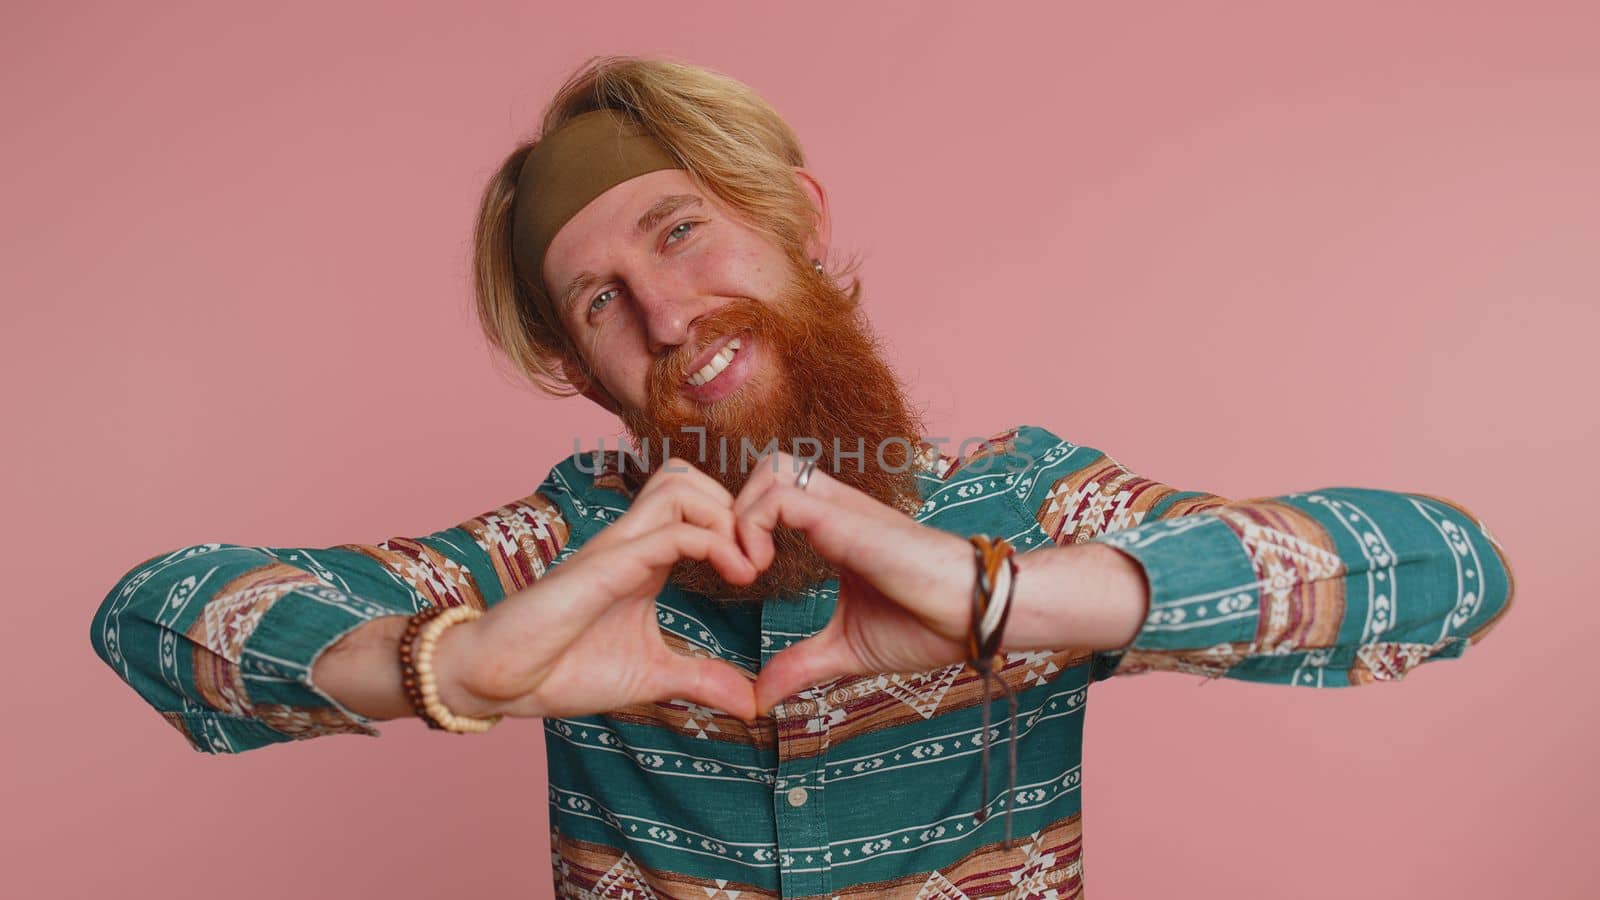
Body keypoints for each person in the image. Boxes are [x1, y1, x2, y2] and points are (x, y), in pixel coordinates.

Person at [89, 55, 1516, 899]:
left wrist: (1004, 597)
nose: (664, 314)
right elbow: (155, 616)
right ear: (575, 372)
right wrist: (445, 666)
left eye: (684, 232)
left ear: (797, 222)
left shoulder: (1020, 503)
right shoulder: (560, 549)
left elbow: (1444, 574)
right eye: (596, 303)